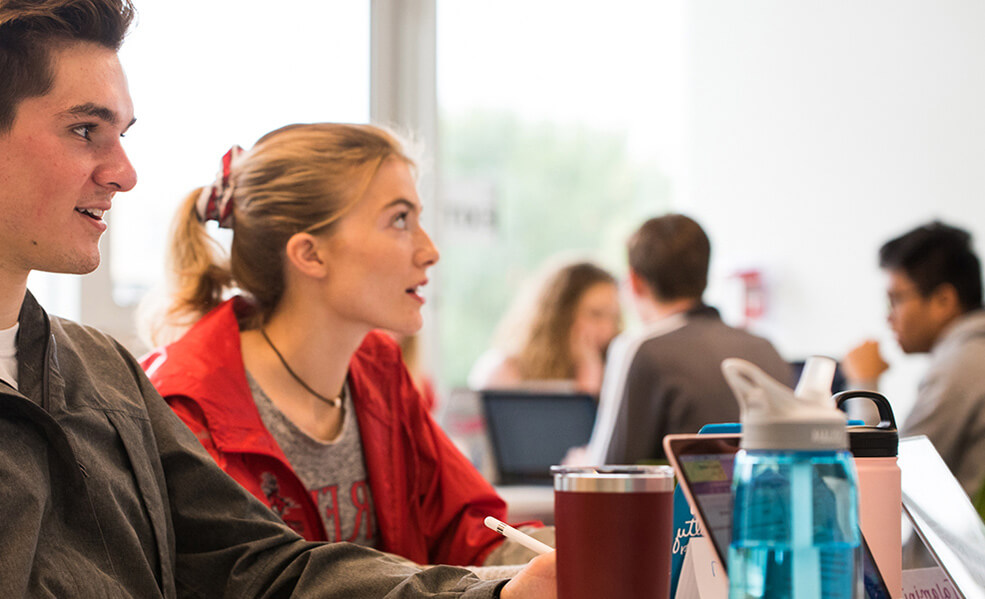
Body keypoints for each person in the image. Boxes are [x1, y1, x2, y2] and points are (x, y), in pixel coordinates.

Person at [0, 0, 554, 596]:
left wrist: (496, 592)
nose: (125, 172)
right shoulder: (176, 386)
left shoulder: (105, 372)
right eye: (86, 130)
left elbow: (261, 567)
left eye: (122, 134)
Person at [141, 123, 547, 569]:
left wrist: (566, 553)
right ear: (310, 254)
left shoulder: (378, 368)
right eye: (399, 220)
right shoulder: (185, 411)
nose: (430, 250)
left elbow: (469, 533)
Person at [579, 214, 791, 465]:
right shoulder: (765, 348)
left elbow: (611, 471)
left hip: (676, 504)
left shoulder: (641, 348)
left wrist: (581, 463)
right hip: (763, 500)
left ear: (635, 281)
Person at [844, 221, 985, 497]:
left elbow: (890, 482)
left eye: (896, 299)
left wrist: (864, 386)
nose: (889, 316)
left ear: (944, 300)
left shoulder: (962, 365)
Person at [469, 260, 621, 395]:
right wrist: (588, 379)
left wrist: (591, 370)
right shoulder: (504, 371)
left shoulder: (616, 373)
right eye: (596, 314)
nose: (608, 329)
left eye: (614, 317)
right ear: (560, 315)